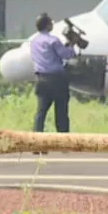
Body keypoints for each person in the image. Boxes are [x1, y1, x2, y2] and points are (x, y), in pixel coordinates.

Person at [30, 13, 76, 146]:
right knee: (61, 111)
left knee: (41, 112)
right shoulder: (53, 40)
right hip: (57, 79)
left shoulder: (34, 41)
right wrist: (71, 44)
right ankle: (63, 143)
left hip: (41, 79)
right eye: (51, 22)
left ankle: (36, 142)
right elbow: (67, 55)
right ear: (47, 25)